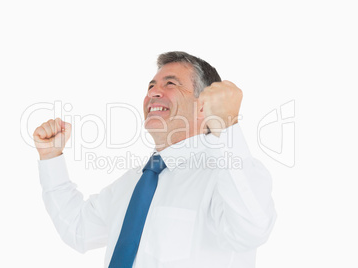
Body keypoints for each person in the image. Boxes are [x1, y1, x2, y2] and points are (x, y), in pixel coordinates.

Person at [33, 51, 276, 268]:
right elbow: (78, 229)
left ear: (204, 106)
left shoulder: (229, 174)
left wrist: (227, 126)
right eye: (151, 86)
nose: (153, 93)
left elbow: (251, 230)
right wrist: (50, 157)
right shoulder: (134, 183)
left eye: (170, 83)